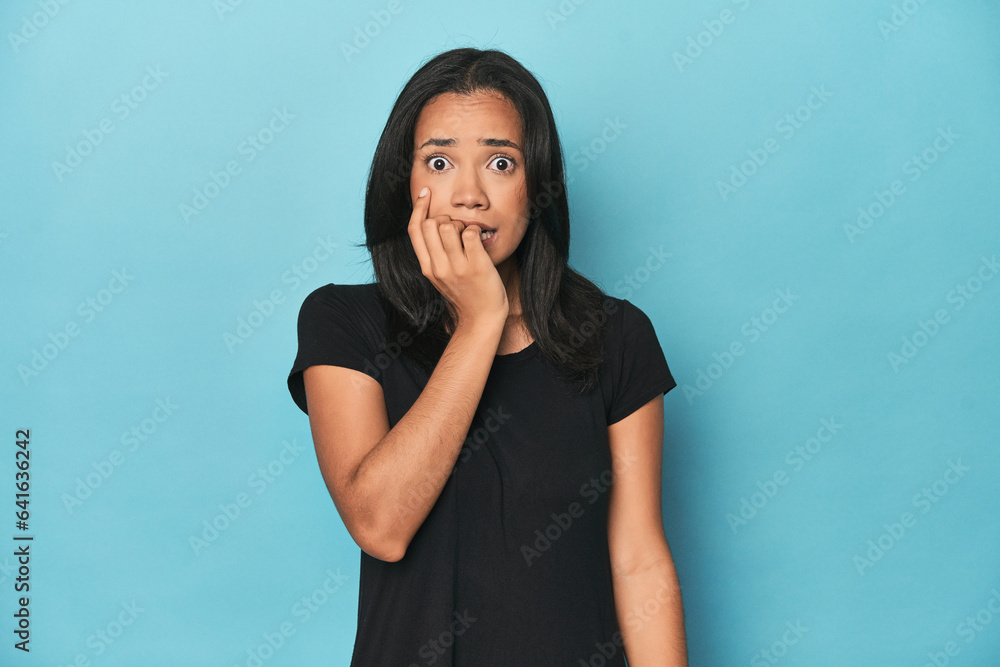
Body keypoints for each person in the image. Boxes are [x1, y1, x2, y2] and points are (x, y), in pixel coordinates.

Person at [287, 47, 687, 666]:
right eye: (440, 161)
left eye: (501, 162)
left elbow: (638, 559)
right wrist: (480, 321)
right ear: (406, 181)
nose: (469, 194)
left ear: (537, 185)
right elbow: (381, 526)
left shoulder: (617, 337)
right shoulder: (343, 322)